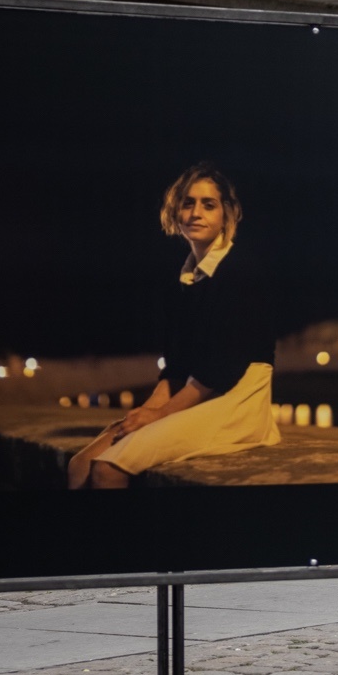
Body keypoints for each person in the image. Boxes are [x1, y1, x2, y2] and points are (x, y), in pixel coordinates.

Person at [68, 164, 280, 489]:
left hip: (238, 402)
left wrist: (160, 415)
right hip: (202, 395)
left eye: (208, 204)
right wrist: (144, 413)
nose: (196, 213)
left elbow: (219, 371)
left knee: (108, 469)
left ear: (226, 214)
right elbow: (175, 370)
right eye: (187, 203)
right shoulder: (184, 281)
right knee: (80, 463)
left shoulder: (241, 272)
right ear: (176, 212)